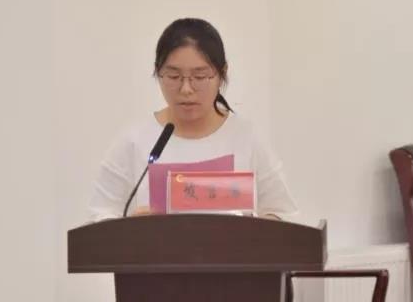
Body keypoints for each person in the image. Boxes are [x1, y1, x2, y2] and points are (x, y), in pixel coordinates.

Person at [89, 18, 299, 222]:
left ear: (222, 74)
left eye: (200, 77)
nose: (186, 89)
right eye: (173, 77)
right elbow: (98, 219)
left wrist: (253, 228)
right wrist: (131, 228)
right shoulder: (134, 141)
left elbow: (284, 215)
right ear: (158, 72)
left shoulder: (247, 138)